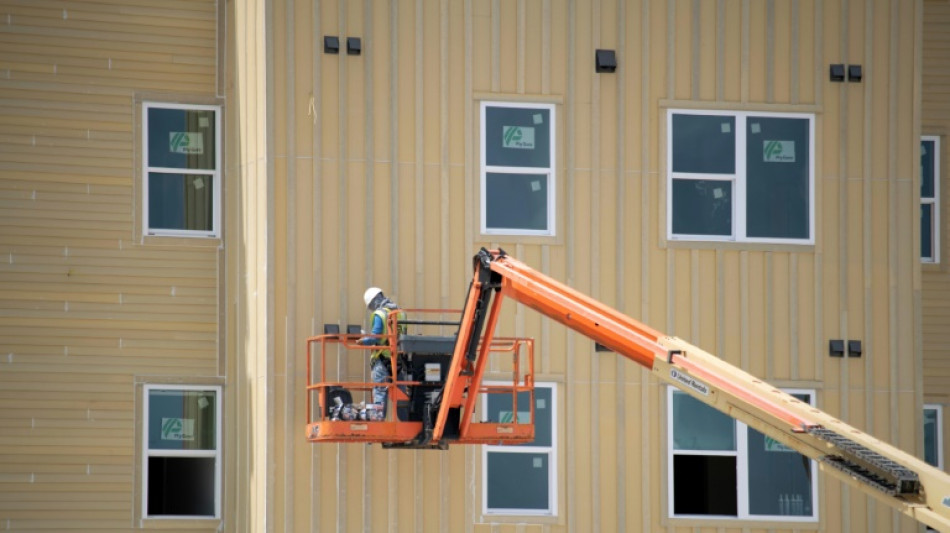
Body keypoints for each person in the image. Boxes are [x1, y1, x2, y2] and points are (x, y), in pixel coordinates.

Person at [359, 287, 407, 416]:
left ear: (374, 301)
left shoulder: (380, 314)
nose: (372, 309)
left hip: (382, 360)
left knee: (380, 392)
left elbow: (376, 336)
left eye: (370, 306)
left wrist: (362, 340)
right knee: (401, 394)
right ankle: (406, 421)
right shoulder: (400, 312)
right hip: (398, 361)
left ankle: (378, 419)